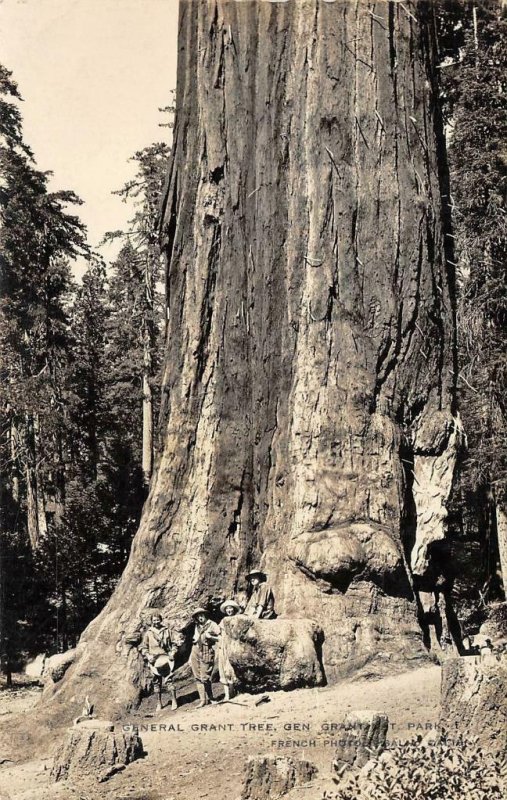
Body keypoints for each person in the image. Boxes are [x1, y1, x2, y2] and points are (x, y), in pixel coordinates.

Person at [139, 612, 179, 711]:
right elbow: (143, 647)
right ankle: (159, 703)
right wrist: (148, 656)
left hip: (165, 658)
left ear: (161, 620)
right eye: (154, 620)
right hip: (153, 660)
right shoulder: (148, 633)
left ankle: (174, 701)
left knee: (169, 680)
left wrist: (172, 653)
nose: (156, 622)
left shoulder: (167, 631)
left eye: (158, 620)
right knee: (156, 682)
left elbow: (174, 643)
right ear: (151, 622)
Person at [190, 607, 220, 708]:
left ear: (205, 615)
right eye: (198, 616)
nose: (200, 617)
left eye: (201, 615)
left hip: (207, 651)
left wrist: (211, 637)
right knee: (197, 676)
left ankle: (211, 698)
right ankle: (203, 700)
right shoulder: (197, 626)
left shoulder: (213, 624)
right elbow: (195, 637)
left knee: (205, 677)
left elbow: (220, 637)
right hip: (195, 650)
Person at [218, 599, 240, 702]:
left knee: (233, 668)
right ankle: (227, 695)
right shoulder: (223, 620)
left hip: (234, 644)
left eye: (231, 608)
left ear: (234, 609)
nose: (229, 610)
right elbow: (220, 633)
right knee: (223, 668)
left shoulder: (238, 619)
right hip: (224, 645)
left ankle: (235, 692)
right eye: (227, 608)